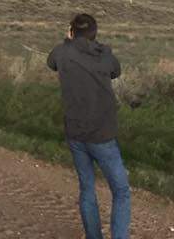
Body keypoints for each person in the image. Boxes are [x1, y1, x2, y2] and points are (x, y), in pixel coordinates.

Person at [48, 13, 131, 239]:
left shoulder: (62, 52)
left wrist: (68, 41)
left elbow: (51, 61)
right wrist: (98, 45)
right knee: (121, 191)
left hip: (75, 134)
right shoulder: (103, 55)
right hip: (103, 136)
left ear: (72, 31)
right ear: (94, 33)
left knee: (87, 188)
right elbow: (116, 70)